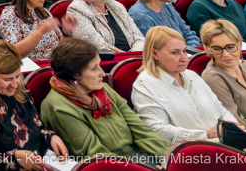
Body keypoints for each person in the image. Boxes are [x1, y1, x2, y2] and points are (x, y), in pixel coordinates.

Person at [40, 38, 169, 163]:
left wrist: (168, 158)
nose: (102, 73)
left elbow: (141, 131)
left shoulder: (104, 89)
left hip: (138, 158)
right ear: (75, 74)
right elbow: (95, 155)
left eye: (99, 65)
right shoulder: (58, 107)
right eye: (94, 68)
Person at [0, 41, 69, 171]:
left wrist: (51, 137)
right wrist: (15, 158)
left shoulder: (20, 93)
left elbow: (37, 129)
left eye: (17, 76)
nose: (15, 85)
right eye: (7, 79)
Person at [132, 26, 238, 144]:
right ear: (154, 53)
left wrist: (233, 127)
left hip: (224, 143)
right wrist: (205, 135)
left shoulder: (192, 75)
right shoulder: (145, 84)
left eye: (184, 51)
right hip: (188, 153)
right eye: (175, 52)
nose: (184, 58)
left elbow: (221, 110)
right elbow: (156, 129)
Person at [0, 0, 77, 62]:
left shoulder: (44, 13)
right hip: (31, 67)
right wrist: (40, 32)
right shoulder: (10, 15)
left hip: (54, 63)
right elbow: (14, 52)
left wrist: (66, 33)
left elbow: (59, 50)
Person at [67, 0, 145, 52]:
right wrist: (124, 57)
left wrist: (134, 54)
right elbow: (95, 46)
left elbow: (139, 37)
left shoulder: (116, 6)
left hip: (131, 57)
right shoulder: (77, 8)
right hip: (104, 61)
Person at [129, 0, 200, 47]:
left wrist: (191, 50)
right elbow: (156, 48)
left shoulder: (167, 6)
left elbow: (188, 34)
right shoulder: (139, 15)